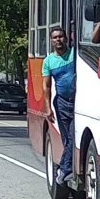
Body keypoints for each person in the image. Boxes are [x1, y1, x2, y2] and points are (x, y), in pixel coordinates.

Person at [42, 27, 76, 185]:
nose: (58, 40)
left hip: (78, 101)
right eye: (55, 37)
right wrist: (48, 108)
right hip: (61, 103)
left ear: (66, 39)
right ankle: (66, 169)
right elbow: (47, 86)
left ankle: (64, 169)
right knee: (67, 138)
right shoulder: (48, 61)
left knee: (73, 135)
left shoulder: (75, 54)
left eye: (61, 37)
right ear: (51, 41)